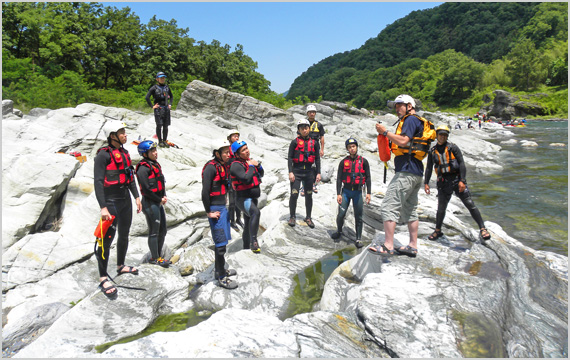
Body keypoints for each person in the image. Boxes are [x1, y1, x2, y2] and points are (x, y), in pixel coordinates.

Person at [369, 94, 435, 257]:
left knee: (389, 205)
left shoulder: (411, 120)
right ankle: (412, 246)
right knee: (410, 209)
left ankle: (388, 246)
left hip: (406, 171)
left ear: (409, 106)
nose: (397, 109)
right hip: (415, 171)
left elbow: (404, 141)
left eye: (400, 105)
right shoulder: (415, 120)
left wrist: (385, 132)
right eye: (396, 106)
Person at [94, 120, 142, 299]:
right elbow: (98, 182)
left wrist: (136, 196)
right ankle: (103, 276)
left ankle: (120, 265)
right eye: (121, 132)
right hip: (110, 201)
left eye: (124, 132)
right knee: (106, 240)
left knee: (124, 234)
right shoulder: (102, 156)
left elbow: (130, 176)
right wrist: (103, 207)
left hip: (125, 200)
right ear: (112, 136)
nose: (125, 135)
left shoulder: (125, 153)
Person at [424, 125, 492, 243]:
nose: (443, 137)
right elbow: (429, 168)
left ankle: (482, 228)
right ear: (437, 135)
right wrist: (426, 183)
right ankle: (438, 230)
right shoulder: (432, 151)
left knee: (470, 204)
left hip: (456, 180)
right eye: (441, 134)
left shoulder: (453, 148)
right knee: (441, 208)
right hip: (443, 183)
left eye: (445, 135)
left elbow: (461, 164)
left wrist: (462, 181)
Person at [201, 142, 238, 289]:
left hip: (222, 208)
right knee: (220, 244)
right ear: (217, 154)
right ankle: (222, 278)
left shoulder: (223, 166)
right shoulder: (210, 168)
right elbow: (204, 192)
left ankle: (219, 269)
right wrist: (208, 212)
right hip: (215, 209)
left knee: (223, 242)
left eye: (229, 152)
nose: (228, 155)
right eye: (225, 152)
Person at [330, 138, 371, 248]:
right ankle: (339, 231)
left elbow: (368, 178)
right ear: (347, 149)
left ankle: (358, 239)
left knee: (359, 216)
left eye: (353, 146)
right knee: (341, 215)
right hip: (346, 192)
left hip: (358, 192)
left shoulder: (364, 161)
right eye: (349, 147)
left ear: (356, 147)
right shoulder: (343, 162)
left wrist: (368, 193)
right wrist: (338, 193)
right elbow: (339, 179)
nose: (352, 149)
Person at [135, 140, 170, 268]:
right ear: (145, 153)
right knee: (154, 231)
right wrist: (158, 199)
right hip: (150, 203)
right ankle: (154, 258)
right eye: (152, 151)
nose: (155, 153)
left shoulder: (155, 164)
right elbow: (145, 190)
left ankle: (158, 256)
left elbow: (161, 181)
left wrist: (163, 195)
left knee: (163, 230)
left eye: (156, 150)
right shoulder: (142, 169)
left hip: (157, 201)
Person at [230, 140, 264, 253]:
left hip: (253, 198)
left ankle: (245, 247)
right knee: (256, 213)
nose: (247, 151)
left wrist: (257, 165)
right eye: (243, 150)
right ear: (237, 154)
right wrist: (251, 166)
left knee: (248, 223)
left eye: (247, 148)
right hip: (243, 199)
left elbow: (261, 174)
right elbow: (246, 179)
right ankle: (254, 242)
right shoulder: (235, 165)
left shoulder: (248, 162)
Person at [287, 119, 321, 228]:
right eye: (302, 128)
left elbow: (317, 159)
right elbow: (290, 158)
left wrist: (318, 173)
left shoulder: (315, 143)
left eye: (306, 128)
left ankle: (308, 217)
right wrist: (290, 172)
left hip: (309, 173)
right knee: (294, 194)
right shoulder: (294, 142)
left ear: (309, 129)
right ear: (299, 130)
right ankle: (292, 216)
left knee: (309, 195)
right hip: (296, 172)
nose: (304, 130)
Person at [145, 72, 173, 148]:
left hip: (166, 108)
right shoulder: (154, 88)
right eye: (161, 78)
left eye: (163, 78)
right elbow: (147, 97)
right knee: (159, 125)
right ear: (157, 79)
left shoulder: (167, 87)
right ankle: (160, 141)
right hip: (158, 109)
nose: (162, 79)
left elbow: (172, 97)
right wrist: (152, 106)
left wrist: (170, 104)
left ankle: (164, 141)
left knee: (165, 126)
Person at [302, 104, 325, 195]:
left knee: (314, 167)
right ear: (307, 113)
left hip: (315, 149)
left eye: (313, 112)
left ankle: (312, 184)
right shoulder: (303, 124)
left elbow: (322, 137)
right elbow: (299, 136)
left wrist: (322, 149)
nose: (312, 114)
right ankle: (304, 186)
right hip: (304, 149)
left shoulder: (318, 125)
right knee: (304, 166)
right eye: (310, 112)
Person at [226, 129, 243, 231]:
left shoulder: (239, 148)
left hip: (238, 176)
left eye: (237, 136)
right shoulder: (227, 150)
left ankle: (238, 219)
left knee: (238, 199)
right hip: (230, 177)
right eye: (234, 136)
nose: (236, 138)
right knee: (232, 201)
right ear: (229, 138)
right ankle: (232, 221)